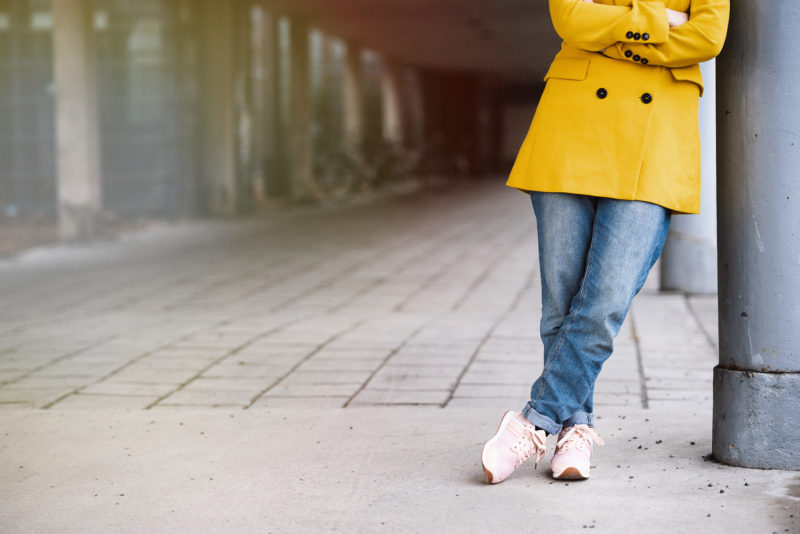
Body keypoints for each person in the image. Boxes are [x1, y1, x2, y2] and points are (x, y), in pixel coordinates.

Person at [481, 0, 730, 483]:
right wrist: (662, 22)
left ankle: (533, 421)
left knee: (605, 300)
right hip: (573, 124)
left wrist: (611, 36)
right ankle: (575, 429)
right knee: (562, 300)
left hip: (654, 136)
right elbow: (571, 19)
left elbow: (707, 37)